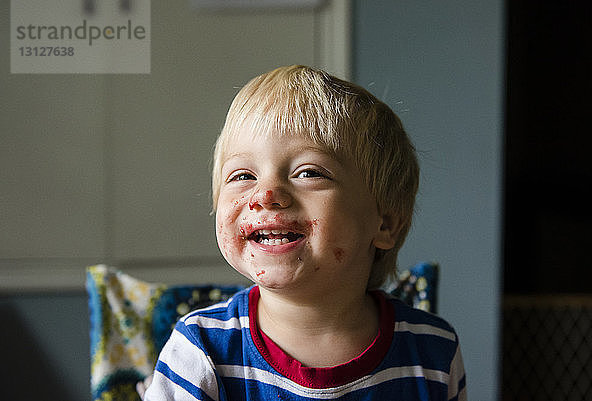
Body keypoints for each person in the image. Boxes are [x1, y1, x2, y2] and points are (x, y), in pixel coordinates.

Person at [143, 65, 466, 400]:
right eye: (242, 176)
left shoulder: (434, 353)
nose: (265, 194)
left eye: (308, 172)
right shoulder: (200, 351)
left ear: (383, 224)